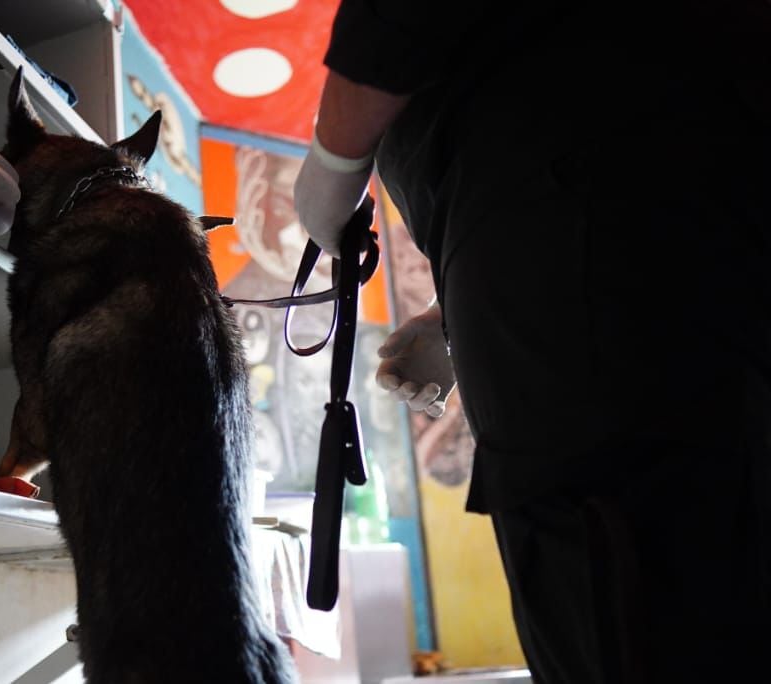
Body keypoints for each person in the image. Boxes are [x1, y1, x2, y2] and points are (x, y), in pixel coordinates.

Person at [293, 1, 771, 682]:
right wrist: (452, 314)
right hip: (667, 239)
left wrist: (331, 169)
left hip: (598, 254)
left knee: (627, 622)